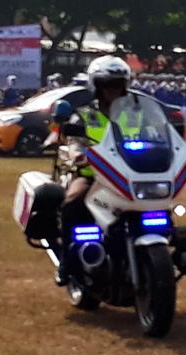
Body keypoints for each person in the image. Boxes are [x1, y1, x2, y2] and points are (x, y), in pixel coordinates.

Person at [56, 55, 138, 285]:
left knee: (161, 204)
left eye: (118, 85)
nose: (113, 90)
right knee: (72, 202)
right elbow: (73, 140)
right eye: (107, 85)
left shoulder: (135, 113)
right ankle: (67, 263)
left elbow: (155, 134)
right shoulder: (84, 115)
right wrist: (77, 152)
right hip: (94, 177)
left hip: (132, 177)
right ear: (97, 87)